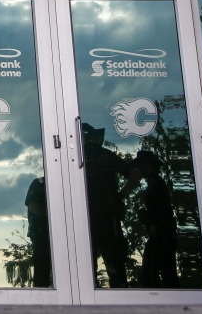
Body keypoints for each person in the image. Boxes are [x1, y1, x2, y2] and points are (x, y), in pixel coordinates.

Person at [81, 123, 139, 288]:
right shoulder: (106, 155)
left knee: (86, 262)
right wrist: (119, 196)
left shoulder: (73, 156)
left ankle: (90, 290)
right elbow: (135, 175)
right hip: (107, 216)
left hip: (85, 216)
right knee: (114, 261)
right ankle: (119, 291)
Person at [134, 150, 180, 288]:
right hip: (162, 230)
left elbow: (163, 204)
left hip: (162, 231)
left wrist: (154, 223)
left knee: (152, 268)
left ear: (147, 165)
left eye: (141, 165)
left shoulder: (156, 182)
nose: (140, 169)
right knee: (165, 268)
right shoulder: (154, 182)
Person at [24, 176, 52, 288]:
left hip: (63, 235)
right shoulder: (39, 183)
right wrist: (53, 215)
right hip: (42, 235)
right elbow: (33, 206)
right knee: (42, 269)